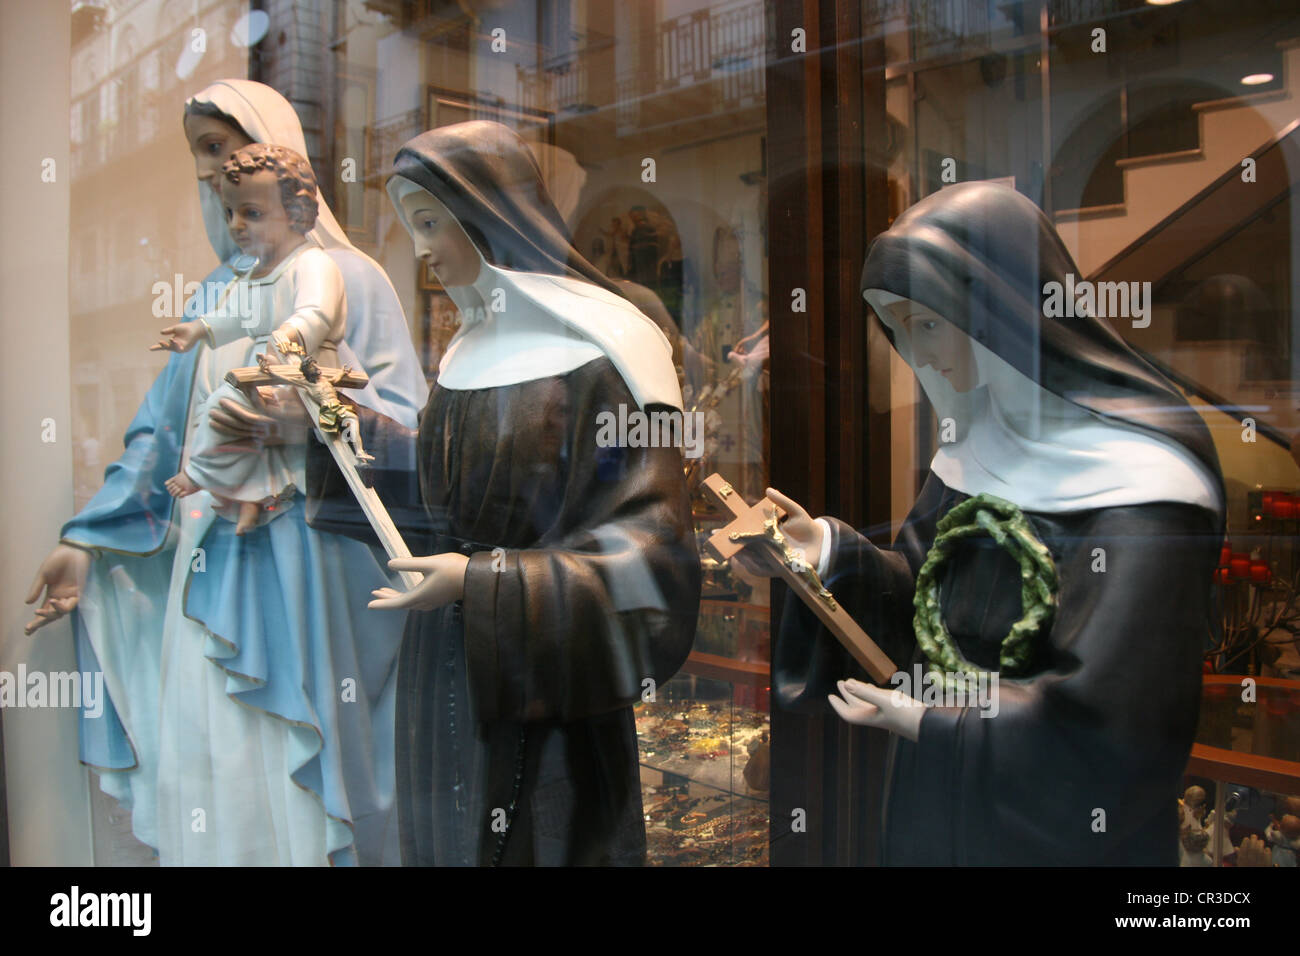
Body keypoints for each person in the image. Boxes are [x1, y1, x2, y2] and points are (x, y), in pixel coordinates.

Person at [750, 182, 1225, 865]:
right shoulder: (973, 450)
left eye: (930, 322)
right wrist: (822, 551)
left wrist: (929, 722)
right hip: (930, 799)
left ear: (1002, 312)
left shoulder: (1147, 485)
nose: (917, 352)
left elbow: (1113, 722)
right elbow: (919, 594)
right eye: (899, 327)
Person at [23, 80, 427, 866]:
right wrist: (90, 539)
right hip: (209, 559)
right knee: (217, 756)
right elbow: (158, 435)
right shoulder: (220, 294)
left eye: (223, 146)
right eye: (200, 154)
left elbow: (409, 439)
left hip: (310, 564)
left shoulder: (351, 279)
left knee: (295, 758)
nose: (213, 170)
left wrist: (301, 424)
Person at [314, 120, 701, 865]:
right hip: (449, 678)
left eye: (430, 223)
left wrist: (480, 583)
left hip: (552, 702)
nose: (421, 248)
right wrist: (326, 424)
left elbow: (649, 564)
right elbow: (443, 503)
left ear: (489, 219)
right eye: (411, 226)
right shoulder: (466, 352)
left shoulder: (608, 350)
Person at [157, 143, 352, 535]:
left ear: (295, 213)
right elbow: (236, 317)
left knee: (223, 408)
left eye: (252, 213)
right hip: (268, 370)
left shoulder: (313, 263)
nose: (235, 225)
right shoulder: (255, 273)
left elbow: (316, 314)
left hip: (301, 370)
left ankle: (198, 473)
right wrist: (198, 329)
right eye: (230, 212)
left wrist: (285, 339)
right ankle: (247, 498)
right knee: (237, 419)